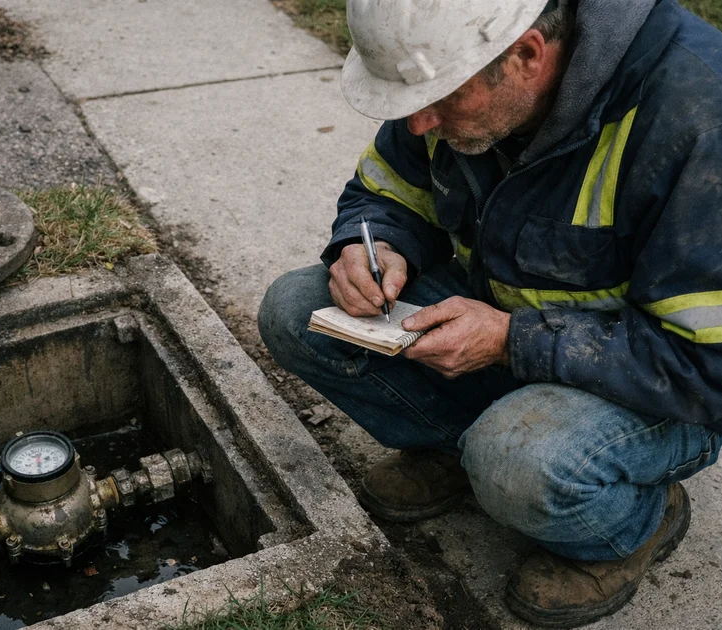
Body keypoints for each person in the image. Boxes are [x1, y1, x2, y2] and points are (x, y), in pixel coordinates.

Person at [258, 0, 722, 626]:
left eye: (440, 101)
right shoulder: (454, 75)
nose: (418, 123)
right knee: (297, 310)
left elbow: (706, 364)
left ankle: (635, 524)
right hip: (515, 326)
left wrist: (512, 341)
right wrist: (374, 244)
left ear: (528, 55)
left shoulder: (698, 120)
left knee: (515, 458)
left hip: (664, 386)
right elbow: (386, 192)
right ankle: (458, 450)